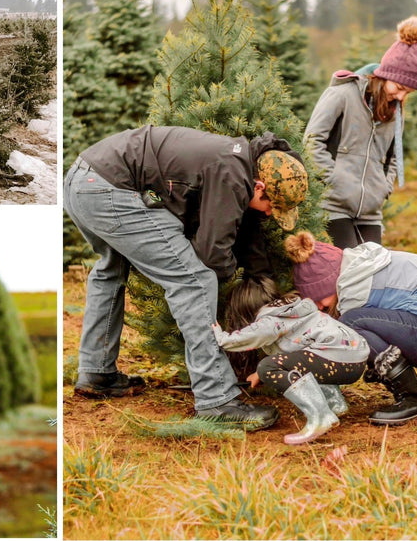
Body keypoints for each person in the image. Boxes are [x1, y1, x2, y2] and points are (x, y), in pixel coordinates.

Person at [63, 124, 309, 430]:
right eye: (272, 205)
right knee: (194, 280)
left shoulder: (237, 160)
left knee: (110, 270)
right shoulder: (232, 174)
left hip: (83, 180)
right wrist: (231, 285)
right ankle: (216, 398)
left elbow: (233, 225)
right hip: (108, 188)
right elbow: (211, 253)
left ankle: (97, 371)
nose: (270, 213)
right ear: (259, 186)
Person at [284, 231, 417, 425]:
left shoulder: (355, 289)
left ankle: (415, 398)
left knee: (351, 322)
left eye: (318, 298)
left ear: (327, 285)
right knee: (410, 312)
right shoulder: (366, 263)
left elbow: (348, 343)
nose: (319, 306)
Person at [303, 16, 417, 249]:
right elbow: (312, 141)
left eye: (408, 93)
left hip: (370, 211)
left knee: (373, 272)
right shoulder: (342, 95)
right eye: (399, 88)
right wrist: (332, 181)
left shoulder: (395, 113)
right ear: (384, 76)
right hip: (333, 206)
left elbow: (391, 160)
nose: (401, 97)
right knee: (348, 270)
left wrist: (382, 188)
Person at [210, 277, 368, 444]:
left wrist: (220, 337)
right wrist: (257, 374)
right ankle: (334, 403)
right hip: (354, 358)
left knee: (267, 367)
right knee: (306, 359)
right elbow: (297, 354)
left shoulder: (269, 320)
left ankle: (321, 416)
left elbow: (244, 338)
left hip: (337, 358)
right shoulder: (290, 310)